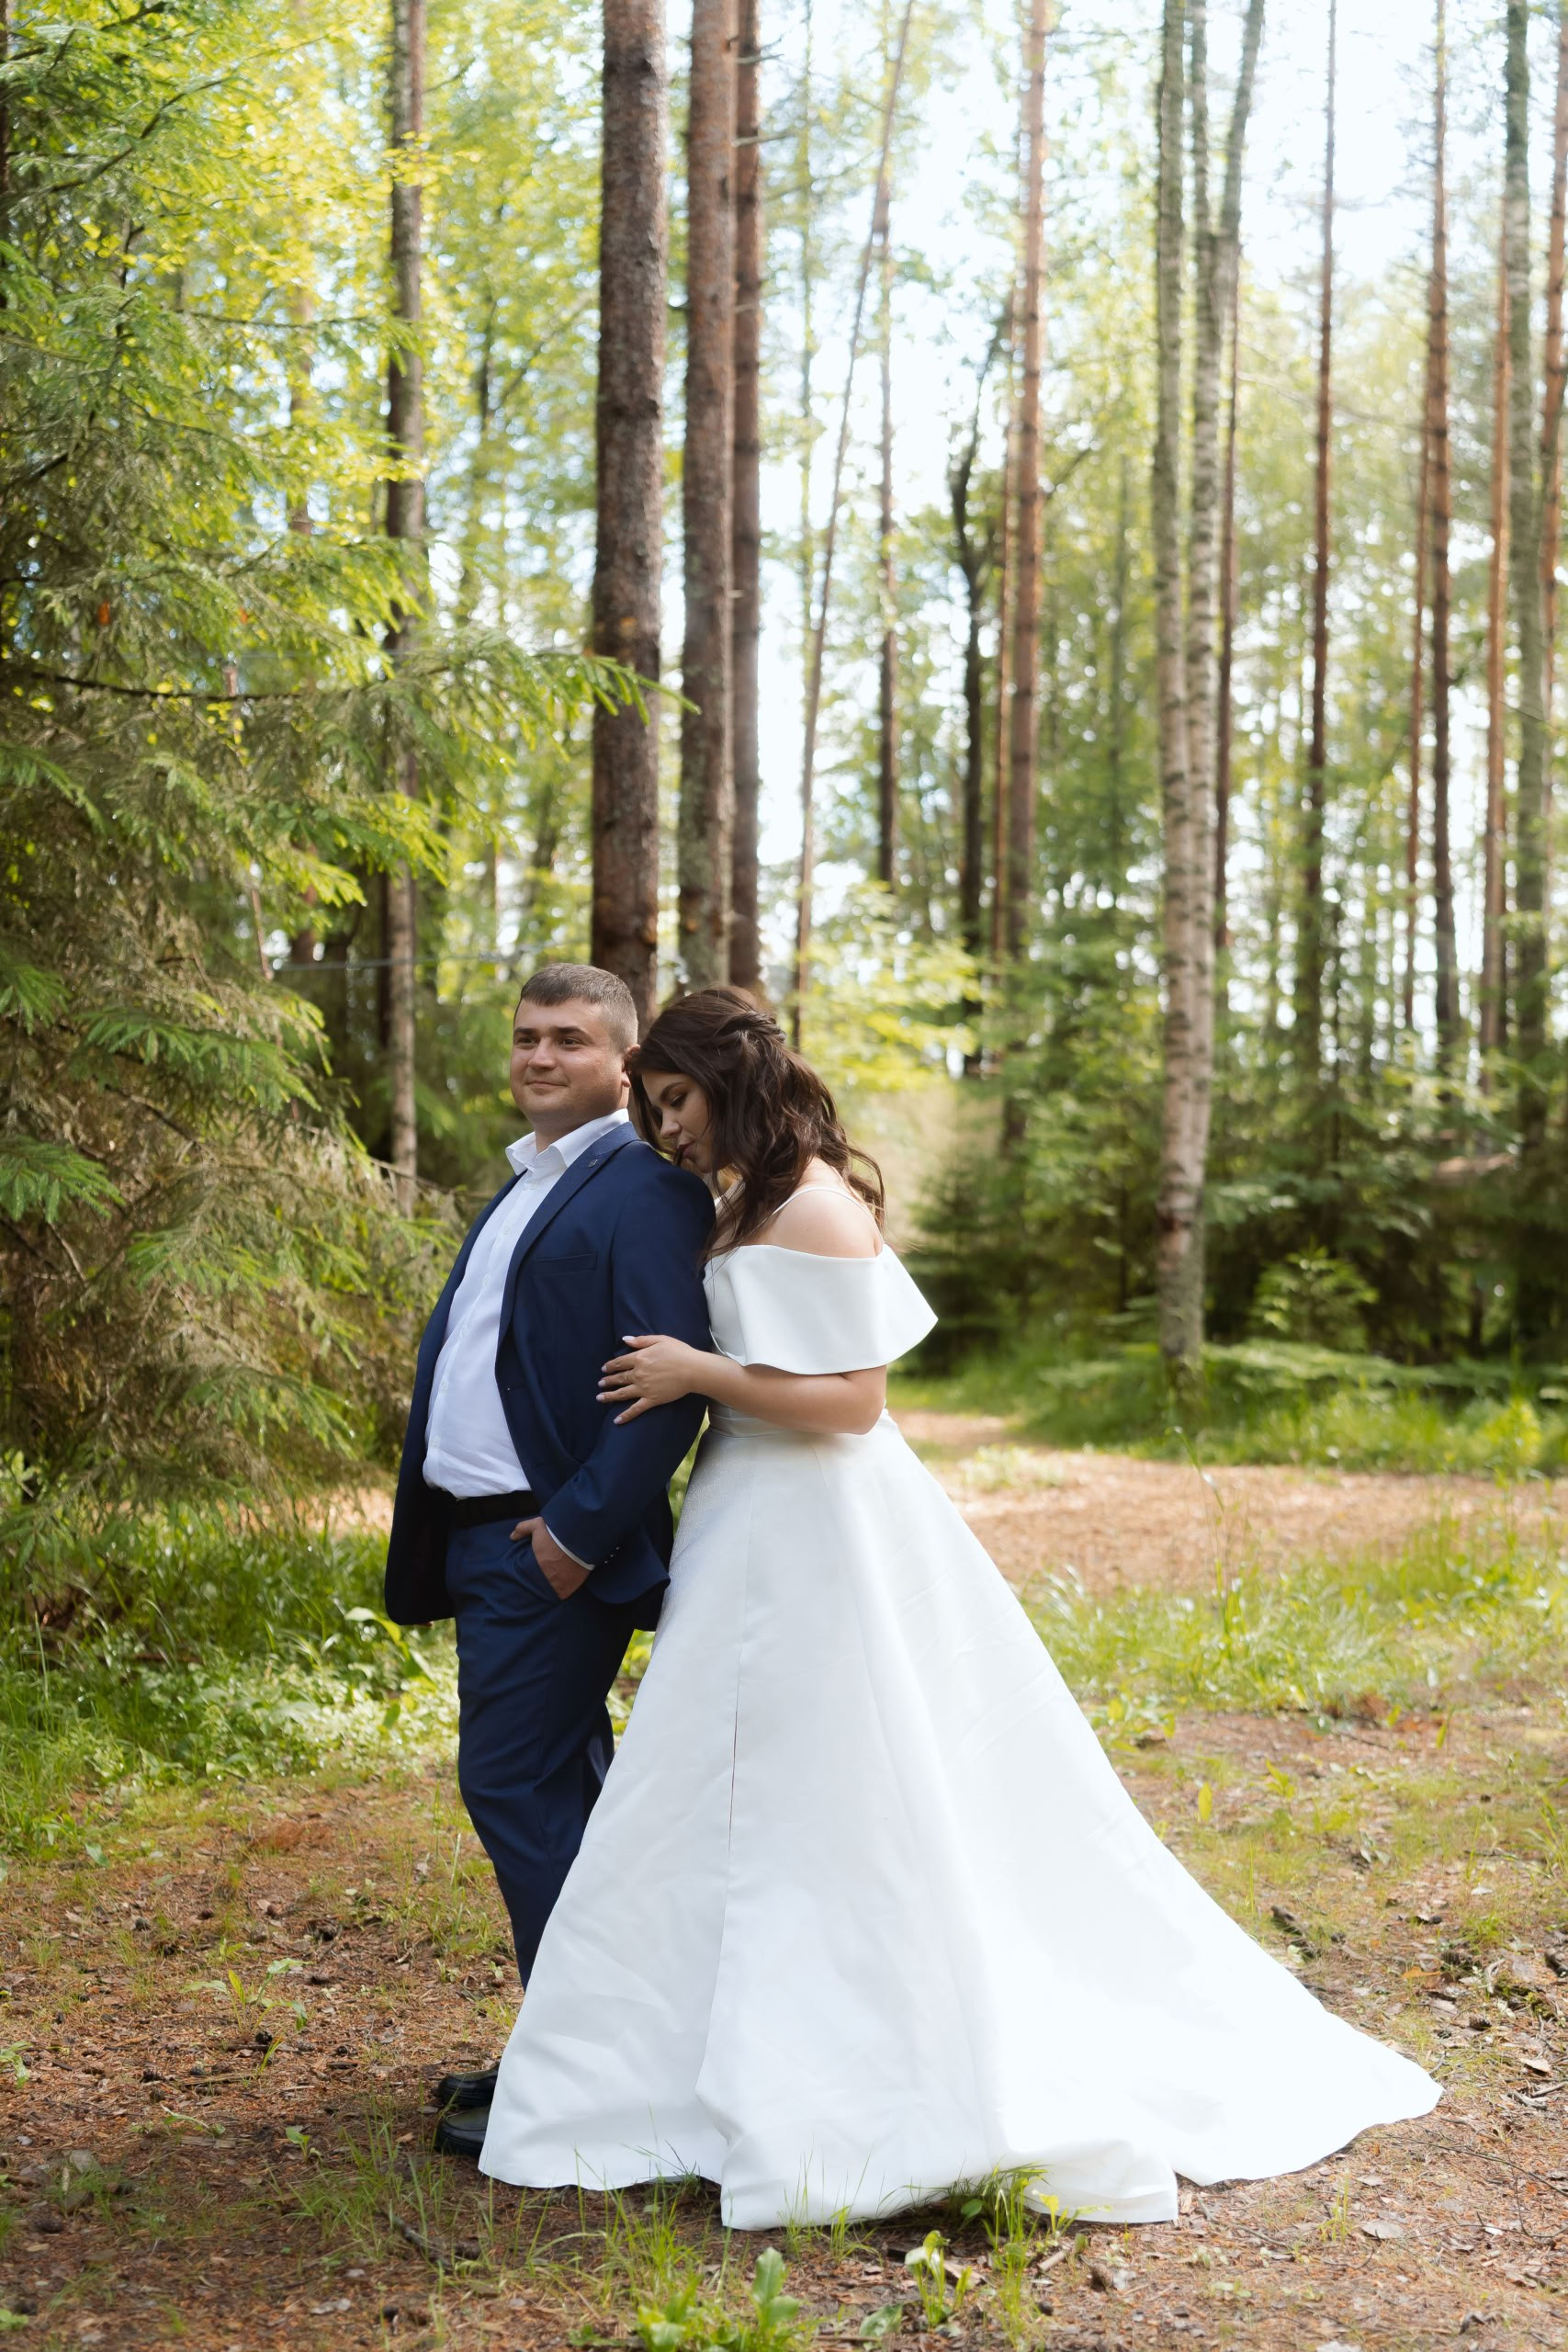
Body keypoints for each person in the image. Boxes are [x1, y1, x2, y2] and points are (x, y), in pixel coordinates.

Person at [474, 986, 1438, 2230]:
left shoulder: (816, 1206)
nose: (664, 1128)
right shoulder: (747, 1201)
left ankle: (874, 2051)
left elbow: (853, 1402)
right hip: (747, 1517)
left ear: (734, 1084)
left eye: (676, 1100)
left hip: (817, 1519)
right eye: (653, 1105)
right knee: (728, 1782)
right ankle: (686, 2057)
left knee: (841, 1781)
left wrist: (695, 1369)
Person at [382, 963, 713, 2158]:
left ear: (621, 1065)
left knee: (512, 1785)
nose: (537, 1057)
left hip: (549, 1548)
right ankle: (578, 2049)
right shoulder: (524, 1184)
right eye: (526, 1036)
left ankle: (593, 2083)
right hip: (481, 1540)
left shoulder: (645, 1191)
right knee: (568, 1794)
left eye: (568, 1040)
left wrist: (578, 1536)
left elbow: (664, 1390)